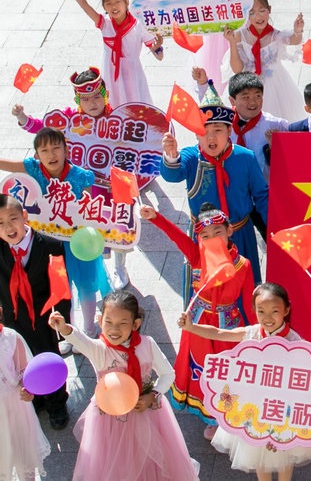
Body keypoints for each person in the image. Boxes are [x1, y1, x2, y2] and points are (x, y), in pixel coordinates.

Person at [178, 282, 311, 480]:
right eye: (261, 311)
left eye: (274, 311)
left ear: (286, 310)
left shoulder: (296, 342)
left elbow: (306, 382)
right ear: (254, 310)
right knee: (257, 454)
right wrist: (191, 327)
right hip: (254, 407)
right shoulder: (252, 333)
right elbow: (219, 333)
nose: (267, 318)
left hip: (283, 409)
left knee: (285, 457)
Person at [48, 291, 199, 480]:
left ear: (135, 324)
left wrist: (153, 394)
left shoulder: (147, 345)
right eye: (108, 322)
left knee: (148, 454)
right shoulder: (100, 350)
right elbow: (80, 340)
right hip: (110, 419)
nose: (114, 329)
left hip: (145, 411)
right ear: (100, 320)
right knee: (115, 460)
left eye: (122, 323)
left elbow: (168, 374)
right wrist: (64, 328)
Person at [140, 202, 255, 440]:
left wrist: (257, 333)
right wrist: (156, 217)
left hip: (227, 326)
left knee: (226, 370)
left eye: (218, 232)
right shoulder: (197, 256)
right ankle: (210, 415)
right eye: (205, 235)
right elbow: (177, 237)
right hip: (198, 324)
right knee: (202, 368)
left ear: (230, 230)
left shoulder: (243, 265)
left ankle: (226, 412)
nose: (212, 239)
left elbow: (249, 303)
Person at [11, 67, 131, 290]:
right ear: (77, 100)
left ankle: (120, 266)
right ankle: (99, 266)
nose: (92, 103)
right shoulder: (69, 120)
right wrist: (22, 118)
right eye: (85, 99)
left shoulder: (119, 120)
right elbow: (44, 130)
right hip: (84, 186)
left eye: (96, 97)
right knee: (93, 226)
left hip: (114, 186)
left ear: (105, 95)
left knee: (119, 226)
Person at [0, 128, 111, 348]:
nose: (51, 155)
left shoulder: (81, 176)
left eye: (56, 148)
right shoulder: (33, 169)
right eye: (44, 150)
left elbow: (88, 210)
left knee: (86, 285)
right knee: (61, 288)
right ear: (36, 155)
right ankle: (68, 332)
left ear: (66, 149)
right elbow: (7, 165)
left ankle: (89, 329)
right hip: (48, 244)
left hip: (79, 242)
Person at [160, 81, 268, 283]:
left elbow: (262, 196)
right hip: (205, 236)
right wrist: (171, 155)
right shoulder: (191, 157)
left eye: (218, 130)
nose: (210, 137)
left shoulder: (245, 157)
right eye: (204, 131)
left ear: (229, 131)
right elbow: (172, 175)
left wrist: (274, 226)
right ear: (196, 134)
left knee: (244, 286)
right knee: (207, 290)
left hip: (240, 233)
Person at [0, 195, 72, 430]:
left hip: (42, 318)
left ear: (24, 216)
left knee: (47, 358)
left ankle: (57, 403)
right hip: (12, 319)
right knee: (20, 361)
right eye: (0, 223)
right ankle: (35, 397)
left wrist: (61, 322)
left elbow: (60, 289)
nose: (8, 228)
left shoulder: (50, 246)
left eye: (13, 219)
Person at [193, 68, 286, 242]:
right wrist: (203, 84)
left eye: (258, 96)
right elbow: (208, 112)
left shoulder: (276, 125)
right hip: (234, 192)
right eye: (245, 97)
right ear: (232, 100)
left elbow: (300, 141)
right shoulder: (224, 123)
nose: (253, 102)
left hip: (261, 193)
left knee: (272, 236)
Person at [69, 0, 163, 107]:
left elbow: (159, 56)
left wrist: (158, 48)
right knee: (112, 104)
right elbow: (84, 5)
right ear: (104, 7)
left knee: (135, 105)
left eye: (117, 2)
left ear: (126, 2)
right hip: (110, 73)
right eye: (108, 3)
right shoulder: (105, 23)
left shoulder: (139, 25)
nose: (114, 7)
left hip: (131, 74)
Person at [224, 0, 306, 122]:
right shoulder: (241, 35)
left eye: (262, 10)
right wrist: (232, 43)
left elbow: (294, 40)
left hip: (276, 84)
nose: (258, 16)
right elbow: (237, 69)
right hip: (249, 84)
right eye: (251, 13)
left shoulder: (275, 35)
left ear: (269, 10)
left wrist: (298, 30)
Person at [0, 321, 50, 480]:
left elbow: (24, 372)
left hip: (15, 408)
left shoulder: (11, 338)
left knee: (24, 456)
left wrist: (27, 390)